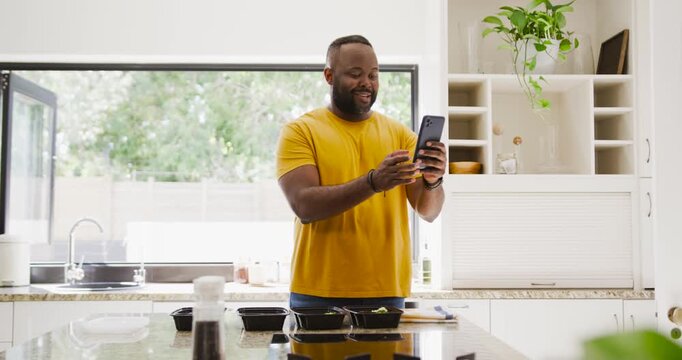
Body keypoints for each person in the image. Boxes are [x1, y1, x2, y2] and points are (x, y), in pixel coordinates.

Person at [276, 35, 445, 309]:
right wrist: (374, 182)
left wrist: (433, 181)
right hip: (317, 292)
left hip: (387, 291)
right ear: (329, 76)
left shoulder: (401, 135)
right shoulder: (300, 131)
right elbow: (304, 205)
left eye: (373, 75)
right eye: (355, 74)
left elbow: (428, 212)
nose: (367, 82)